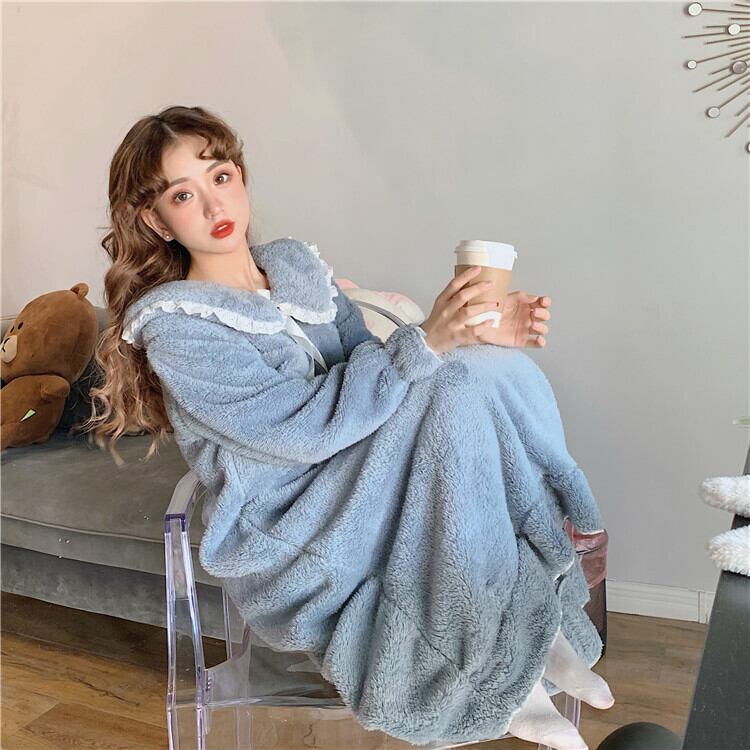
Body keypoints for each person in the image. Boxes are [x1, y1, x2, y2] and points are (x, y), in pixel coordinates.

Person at [85, 105, 613, 750]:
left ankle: (532, 637)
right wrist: (427, 341)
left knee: (477, 372)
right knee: (447, 381)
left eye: (220, 177)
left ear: (241, 175)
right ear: (155, 220)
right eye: (182, 195)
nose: (213, 204)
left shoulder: (295, 269)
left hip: (355, 465)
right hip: (287, 511)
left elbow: (367, 368)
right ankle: (497, 680)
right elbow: (295, 429)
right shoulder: (177, 325)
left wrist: (476, 336)